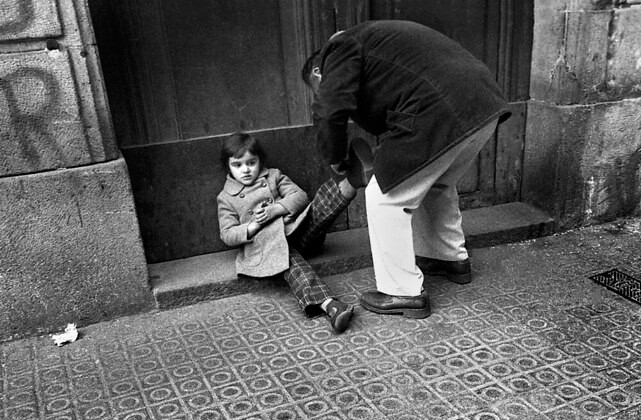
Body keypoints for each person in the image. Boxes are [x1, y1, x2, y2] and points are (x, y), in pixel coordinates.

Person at [302, 20, 512, 318]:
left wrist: (335, 157)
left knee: (384, 197)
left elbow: (330, 109)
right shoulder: (377, 42)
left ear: (317, 72)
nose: (318, 94)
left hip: (437, 109)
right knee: (435, 184)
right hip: (483, 104)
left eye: (315, 89)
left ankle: (402, 292)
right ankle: (448, 258)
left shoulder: (338, 47)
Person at [216, 132, 372, 333]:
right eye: (237, 165)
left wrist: (276, 209)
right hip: (268, 249)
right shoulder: (226, 198)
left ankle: (351, 180)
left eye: (251, 163)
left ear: (259, 161)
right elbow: (227, 234)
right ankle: (331, 305)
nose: (245, 170)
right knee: (287, 258)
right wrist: (251, 227)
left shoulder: (273, 176)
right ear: (228, 167)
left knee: (317, 211)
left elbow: (300, 196)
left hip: (298, 233)